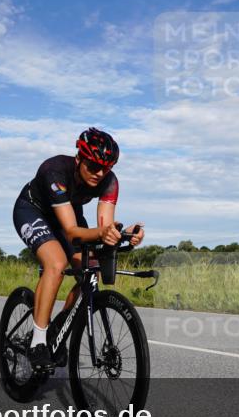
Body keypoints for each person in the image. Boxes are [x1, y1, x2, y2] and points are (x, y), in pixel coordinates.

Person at [13, 128, 144, 371]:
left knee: (90, 269)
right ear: (79, 159)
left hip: (69, 214)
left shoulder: (109, 181)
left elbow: (103, 228)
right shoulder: (54, 170)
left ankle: (58, 328)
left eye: (107, 167)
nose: (100, 173)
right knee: (56, 263)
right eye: (93, 166)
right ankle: (38, 341)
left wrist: (122, 235)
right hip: (33, 211)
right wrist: (103, 233)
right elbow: (72, 232)